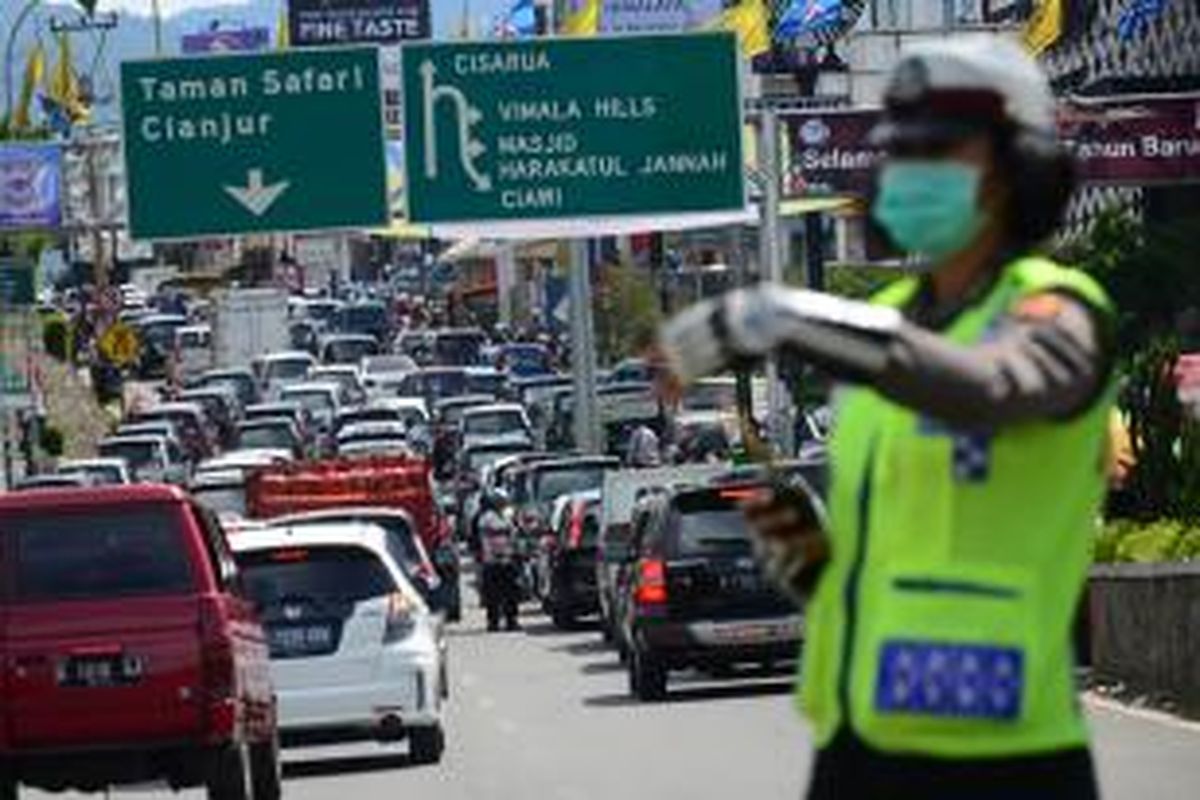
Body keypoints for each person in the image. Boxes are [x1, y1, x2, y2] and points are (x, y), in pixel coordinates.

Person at [657, 38, 1112, 800]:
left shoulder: (1055, 310)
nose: (909, 169)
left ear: (1015, 166)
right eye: (899, 150)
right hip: (860, 746)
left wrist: (788, 315)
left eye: (940, 149)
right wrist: (812, 564)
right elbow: (905, 553)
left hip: (1004, 756)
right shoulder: (883, 322)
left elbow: (994, 387)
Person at [476, 491, 520, 632]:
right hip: (492, 561)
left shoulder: (507, 516)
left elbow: (514, 534)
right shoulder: (486, 519)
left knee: (511, 592)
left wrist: (514, 551)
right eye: (500, 502)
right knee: (493, 594)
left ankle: (511, 621)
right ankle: (493, 622)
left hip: (507, 559)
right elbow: (484, 540)